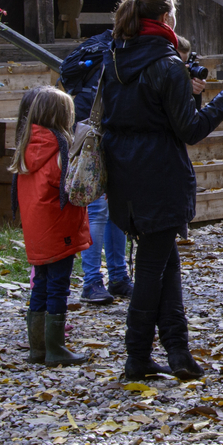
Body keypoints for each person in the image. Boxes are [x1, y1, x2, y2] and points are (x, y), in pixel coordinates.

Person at [102, 0, 223, 380]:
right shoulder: (167, 63)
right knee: (152, 272)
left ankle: (178, 353)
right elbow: (189, 130)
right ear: (168, 19)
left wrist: (190, 96)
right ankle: (136, 357)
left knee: (165, 265)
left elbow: (149, 115)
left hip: (124, 172)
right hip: (157, 176)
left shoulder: (116, 56)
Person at [10, 86, 92, 367]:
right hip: (59, 230)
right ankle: (55, 348)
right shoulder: (60, 149)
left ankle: (38, 348)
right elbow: (74, 188)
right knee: (58, 287)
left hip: (36, 230)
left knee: (40, 286)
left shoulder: (26, 145)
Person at [59, 28, 132, 306]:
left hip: (105, 132)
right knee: (98, 208)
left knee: (114, 208)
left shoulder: (108, 46)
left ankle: (117, 278)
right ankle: (92, 282)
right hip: (96, 134)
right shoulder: (116, 52)